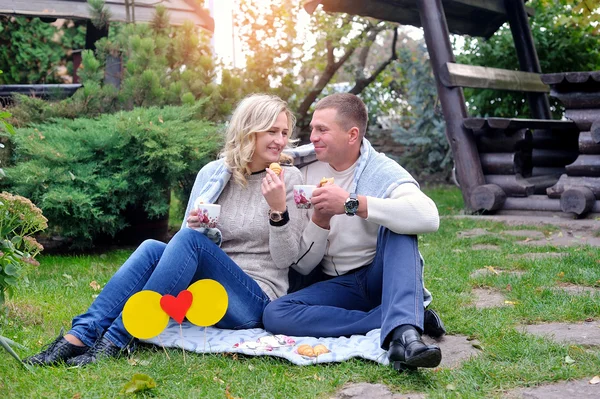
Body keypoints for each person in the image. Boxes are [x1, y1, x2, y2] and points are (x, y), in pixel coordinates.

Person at [25, 94, 306, 367]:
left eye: (284, 132)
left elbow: (286, 260)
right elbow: (183, 246)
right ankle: (78, 337)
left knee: (188, 241)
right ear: (249, 131)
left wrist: (278, 210)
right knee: (151, 248)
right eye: (272, 131)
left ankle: (118, 338)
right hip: (203, 295)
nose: (280, 140)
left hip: (252, 300)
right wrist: (197, 227)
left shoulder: (288, 178)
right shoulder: (213, 174)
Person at [262, 93, 444, 371]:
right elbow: (303, 265)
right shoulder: (302, 172)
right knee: (276, 314)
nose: (312, 137)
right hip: (335, 285)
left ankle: (406, 337)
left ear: (352, 135)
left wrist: (351, 203)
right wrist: (320, 221)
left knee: (400, 228)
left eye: (322, 129)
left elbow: (429, 217)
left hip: (379, 276)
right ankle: (401, 316)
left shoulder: (378, 169)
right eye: (312, 129)